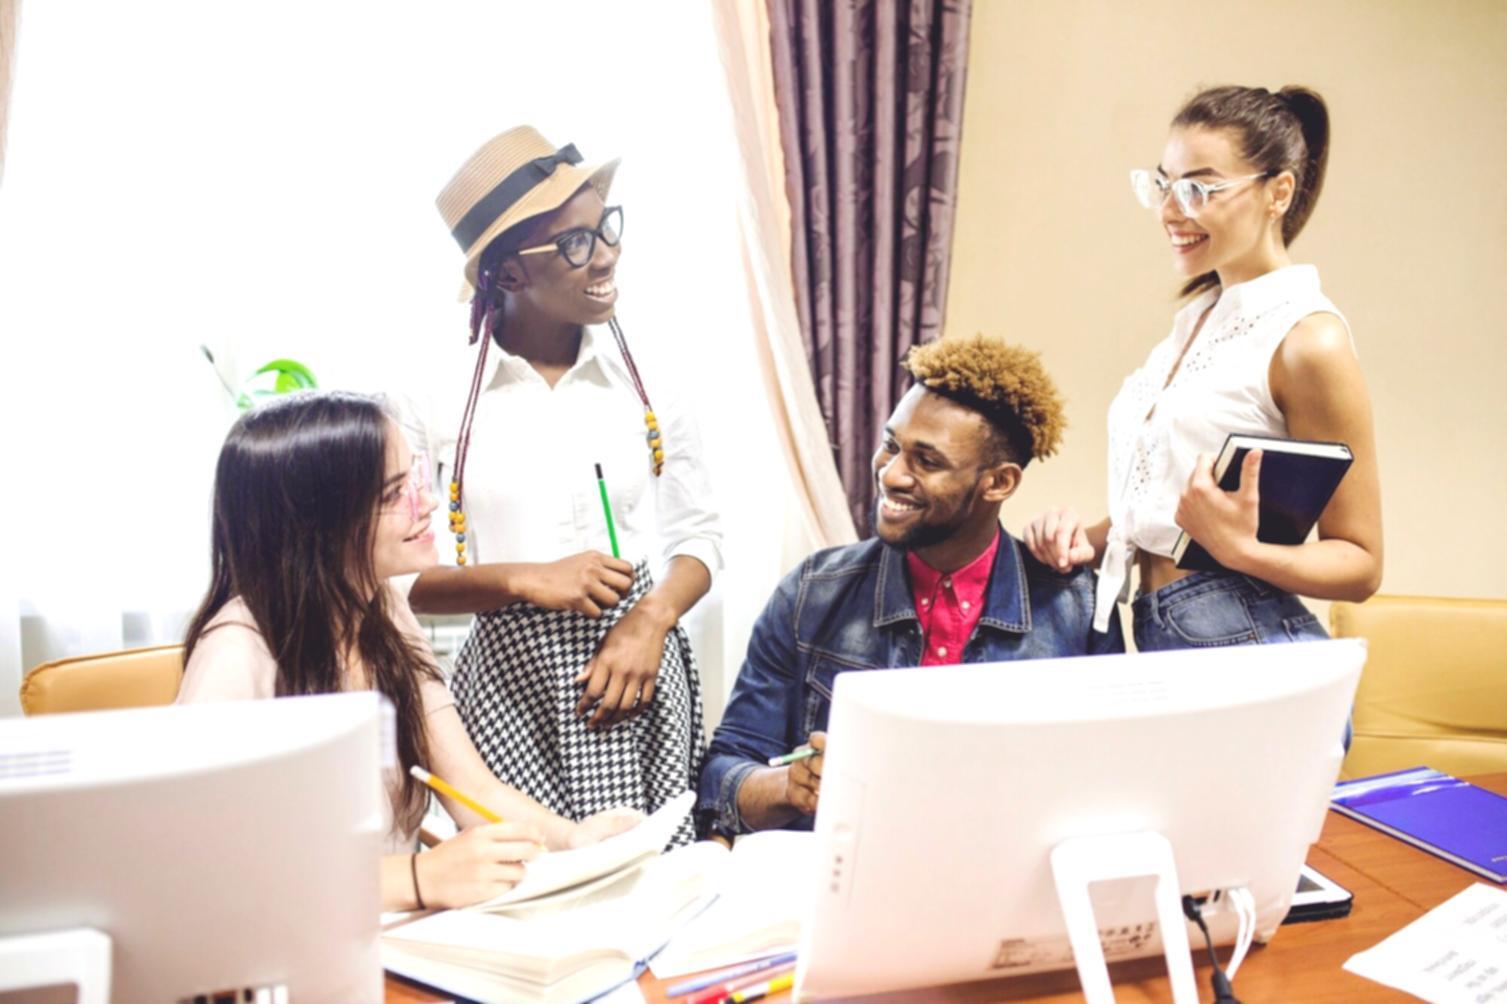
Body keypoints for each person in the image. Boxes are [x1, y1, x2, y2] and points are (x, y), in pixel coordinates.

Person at [178, 391, 642, 911]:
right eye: (395, 493)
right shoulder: (236, 652)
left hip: (389, 930)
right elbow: (202, 872)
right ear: (318, 521)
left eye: (415, 479)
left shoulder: (384, 610)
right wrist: (418, 878)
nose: (429, 503)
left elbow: (473, 788)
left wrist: (575, 841)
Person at [410, 127, 722, 848]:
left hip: (640, 673)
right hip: (510, 690)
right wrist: (524, 579)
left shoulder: (652, 381)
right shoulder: (431, 400)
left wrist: (651, 620)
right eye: (576, 243)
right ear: (509, 275)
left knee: (657, 877)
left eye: (606, 227)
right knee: (529, 883)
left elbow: (700, 534)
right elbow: (395, 584)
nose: (606, 254)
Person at [698, 336, 1123, 836]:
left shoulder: (1079, 609)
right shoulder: (811, 593)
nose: (892, 474)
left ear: (999, 483)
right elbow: (722, 778)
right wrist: (791, 787)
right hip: (843, 873)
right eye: (891, 445)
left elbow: (1112, 789)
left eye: (927, 461)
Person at [1025, 85, 1382, 652]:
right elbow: (1173, 516)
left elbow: (1361, 563)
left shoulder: (1308, 339)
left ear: (1278, 193)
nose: (1171, 211)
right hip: (1164, 629)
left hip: (1241, 642)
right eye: (1164, 185)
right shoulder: (1197, 323)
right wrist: (1086, 540)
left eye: (1198, 188)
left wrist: (1242, 551)